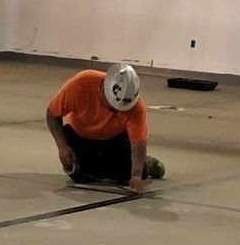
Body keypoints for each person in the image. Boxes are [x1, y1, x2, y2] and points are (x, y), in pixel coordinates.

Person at [45, 63, 164, 193]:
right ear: (105, 88)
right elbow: (52, 114)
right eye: (113, 105)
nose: (116, 110)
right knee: (80, 176)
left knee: (126, 175)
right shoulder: (81, 83)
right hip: (79, 135)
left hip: (115, 138)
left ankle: (146, 163)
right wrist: (62, 147)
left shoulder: (136, 107)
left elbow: (138, 142)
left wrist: (136, 174)